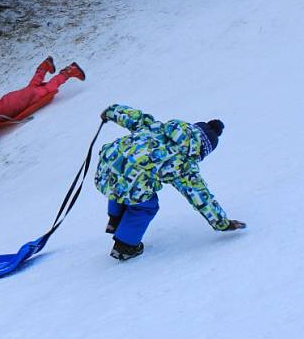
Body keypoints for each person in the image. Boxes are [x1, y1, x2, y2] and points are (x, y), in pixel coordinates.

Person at [94, 104, 246, 261]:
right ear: (201, 150)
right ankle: (125, 246)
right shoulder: (184, 164)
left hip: (106, 167)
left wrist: (112, 111)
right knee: (146, 205)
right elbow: (200, 197)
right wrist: (222, 223)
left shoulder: (156, 127)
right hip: (125, 181)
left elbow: (134, 117)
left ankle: (116, 219)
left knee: (125, 183)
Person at [0, 57, 85, 154]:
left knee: (48, 88)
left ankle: (70, 71)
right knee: (33, 86)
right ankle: (45, 65)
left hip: (24, 99)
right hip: (18, 97)